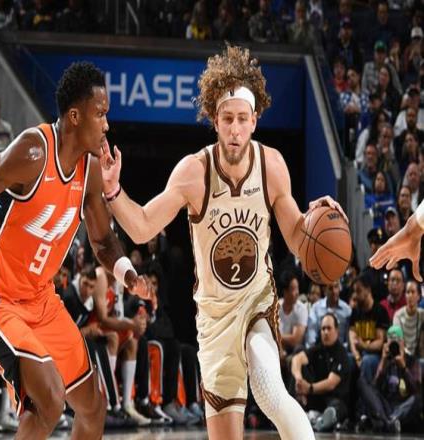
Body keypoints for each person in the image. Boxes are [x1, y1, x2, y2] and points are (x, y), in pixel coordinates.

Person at [100, 44, 347, 440]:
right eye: (227, 119)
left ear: (255, 121)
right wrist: (113, 191)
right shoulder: (194, 172)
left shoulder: (271, 166)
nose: (235, 129)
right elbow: (143, 227)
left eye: (242, 119)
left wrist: (317, 222)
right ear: (214, 120)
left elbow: (297, 238)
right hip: (213, 320)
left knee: (269, 388)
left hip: (255, 304)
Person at [0, 62, 152, 440]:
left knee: (93, 406)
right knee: (49, 399)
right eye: (100, 114)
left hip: (41, 300)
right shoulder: (33, 151)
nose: (107, 125)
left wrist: (128, 274)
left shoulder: (91, 169)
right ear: (75, 116)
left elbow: (102, 241)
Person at [370, 199, 424, 281]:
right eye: (387, 219)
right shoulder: (381, 241)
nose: (390, 221)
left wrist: (413, 227)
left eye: (393, 217)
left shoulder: (417, 237)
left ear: (399, 220)